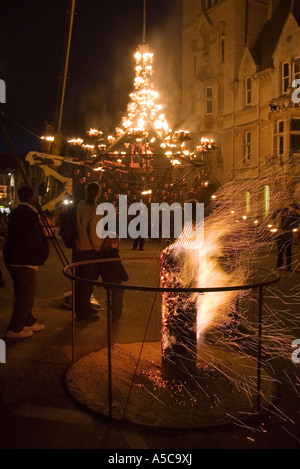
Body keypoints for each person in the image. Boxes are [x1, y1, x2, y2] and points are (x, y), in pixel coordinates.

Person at [3, 186, 49, 338]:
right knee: (26, 295)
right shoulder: (29, 214)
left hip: (13, 258)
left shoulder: (15, 212)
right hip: (24, 260)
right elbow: (33, 237)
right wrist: (41, 253)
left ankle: (28, 321)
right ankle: (15, 328)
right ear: (32, 197)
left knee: (22, 291)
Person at [73, 182, 102, 321]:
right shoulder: (95, 209)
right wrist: (98, 248)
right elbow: (94, 232)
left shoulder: (79, 205)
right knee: (87, 283)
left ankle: (81, 308)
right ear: (98, 194)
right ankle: (84, 313)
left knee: (79, 282)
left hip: (77, 249)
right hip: (89, 250)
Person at [99, 234, 129, 322]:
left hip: (107, 279)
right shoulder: (113, 254)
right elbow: (118, 267)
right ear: (108, 243)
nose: (116, 245)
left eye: (117, 243)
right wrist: (125, 276)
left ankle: (112, 311)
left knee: (111, 297)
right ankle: (116, 316)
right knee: (117, 298)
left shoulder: (102, 253)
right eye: (114, 243)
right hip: (115, 279)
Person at [272, 202, 300, 271]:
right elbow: (276, 211)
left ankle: (288, 266)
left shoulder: (297, 217)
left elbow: (296, 225)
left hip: (288, 235)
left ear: (295, 209)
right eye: (291, 207)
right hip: (281, 234)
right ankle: (279, 266)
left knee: (288, 251)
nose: (291, 209)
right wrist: (273, 217)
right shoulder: (285, 211)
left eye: (293, 208)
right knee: (280, 251)